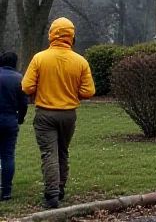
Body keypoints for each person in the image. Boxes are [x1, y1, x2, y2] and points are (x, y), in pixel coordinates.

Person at [22, 17, 95, 209]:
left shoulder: (39, 58)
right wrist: (72, 90)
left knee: (49, 153)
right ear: (72, 37)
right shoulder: (80, 61)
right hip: (68, 115)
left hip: (45, 113)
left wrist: (42, 87)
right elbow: (89, 92)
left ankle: (52, 195)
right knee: (63, 152)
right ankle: (61, 188)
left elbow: (27, 86)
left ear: (51, 35)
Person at [0, 52, 27, 200]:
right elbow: (23, 103)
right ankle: (6, 191)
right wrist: (20, 118)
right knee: (7, 155)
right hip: (10, 119)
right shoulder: (19, 79)